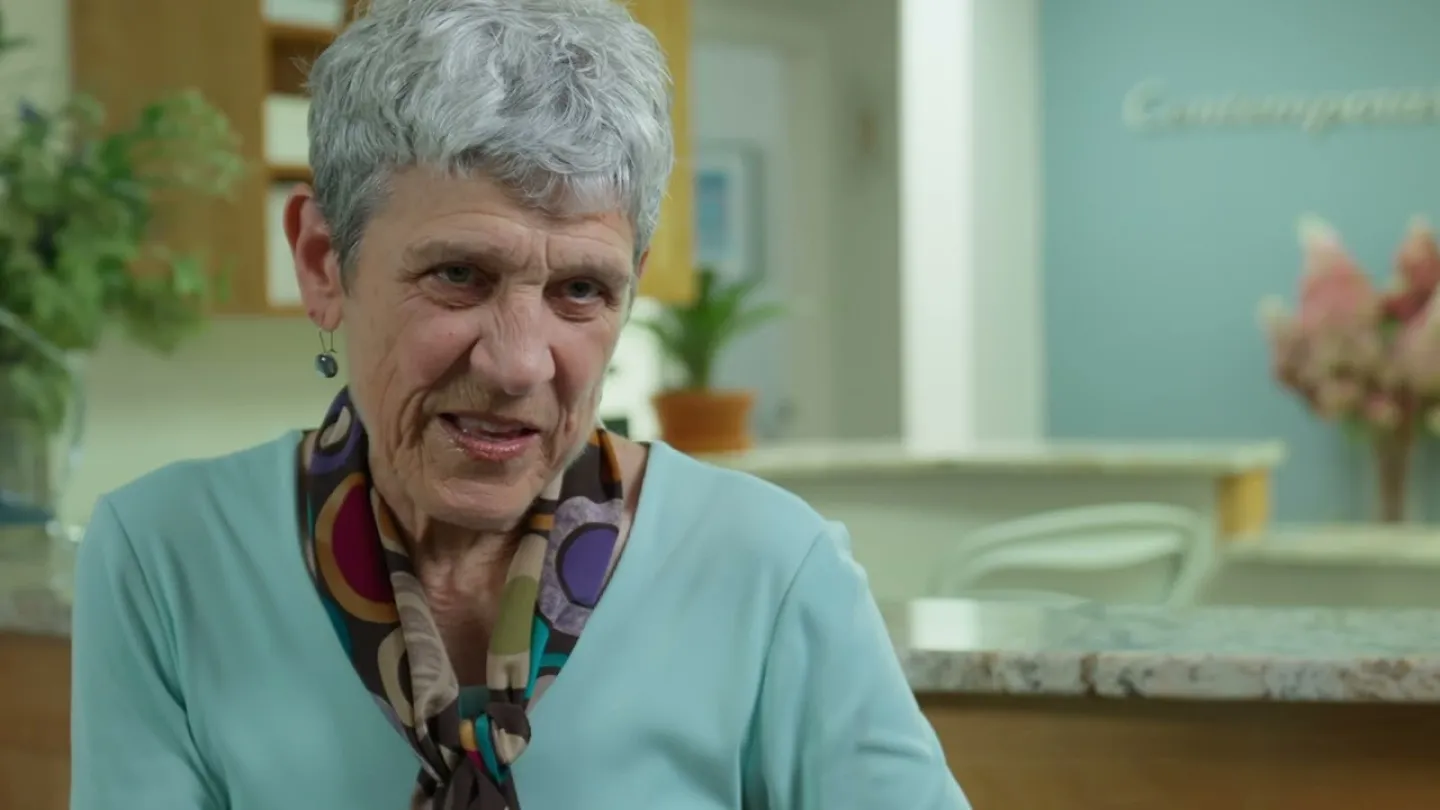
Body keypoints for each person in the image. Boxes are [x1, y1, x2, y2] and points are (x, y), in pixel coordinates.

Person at [67, 0, 969, 808]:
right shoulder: (164, 556)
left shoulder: (775, 570)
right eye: (458, 275)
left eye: (581, 290)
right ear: (321, 263)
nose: (518, 363)